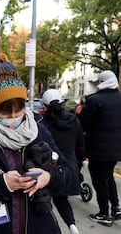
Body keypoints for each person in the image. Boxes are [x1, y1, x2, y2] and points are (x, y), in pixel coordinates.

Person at [0, 58, 74, 234]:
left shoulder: (39, 131)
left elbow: (71, 178)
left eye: (19, 109)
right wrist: (2, 185)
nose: (13, 117)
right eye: (5, 111)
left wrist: (49, 177)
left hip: (41, 226)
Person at [79, 70, 121, 227]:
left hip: (98, 149)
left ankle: (104, 213)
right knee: (109, 177)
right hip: (116, 149)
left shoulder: (94, 100)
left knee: (100, 181)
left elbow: (84, 123)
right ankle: (116, 208)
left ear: (102, 83)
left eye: (98, 82)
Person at [41, 89, 85, 234]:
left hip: (49, 165)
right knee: (61, 199)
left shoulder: (43, 123)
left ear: (45, 105)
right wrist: (77, 166)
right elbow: (80, 146)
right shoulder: (74, 120)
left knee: (43, 201)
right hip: (69, 164)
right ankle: (72, 226)